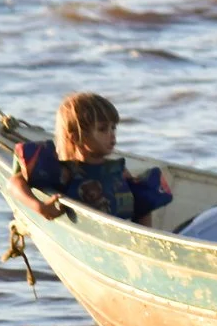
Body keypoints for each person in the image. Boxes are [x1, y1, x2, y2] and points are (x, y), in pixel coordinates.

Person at [10, 92, 173, 226]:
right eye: (102, 129)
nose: (112, 135)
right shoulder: (66, 172)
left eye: (113, 128)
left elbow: (141, 207)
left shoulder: (119, 171)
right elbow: (15, 183)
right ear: (76, 138)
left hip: (119, 239)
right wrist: (39, 207)